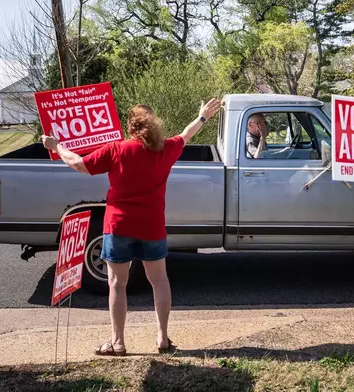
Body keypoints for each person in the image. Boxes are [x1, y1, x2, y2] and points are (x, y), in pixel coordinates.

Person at [42, 99, 221, 356]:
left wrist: (56, 145)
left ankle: (118, 343)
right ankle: (162, 338)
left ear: (131, 126)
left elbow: (79, 164)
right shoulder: (165, 149)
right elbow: (186, 134)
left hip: (118, 227)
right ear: (154, 125)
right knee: (159, 280)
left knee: (116, 283)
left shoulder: (117, 149)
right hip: (152, 227)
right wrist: (202, 117)